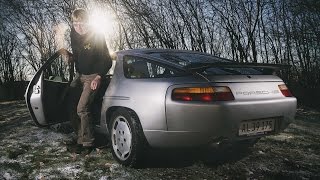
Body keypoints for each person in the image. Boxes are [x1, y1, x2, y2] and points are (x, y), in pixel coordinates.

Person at [67, 8, 112, 154]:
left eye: (82, 23)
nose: (79, 27)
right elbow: (79, 55)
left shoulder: (97, 35)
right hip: (80, 75)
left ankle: (88, 143)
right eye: (75, 24)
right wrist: (71, 57)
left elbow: (107, 60)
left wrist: (99, 77)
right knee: (71, 104)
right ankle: (79, 139)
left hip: (93, 76)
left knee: (82, 108)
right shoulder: (73, 35)